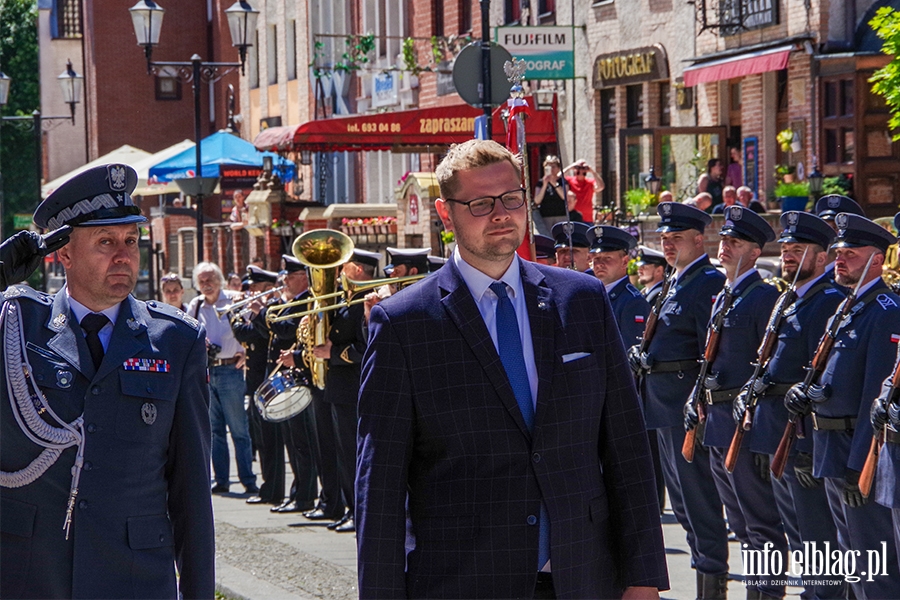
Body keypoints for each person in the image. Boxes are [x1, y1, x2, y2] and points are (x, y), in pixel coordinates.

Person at [357, 139, 668, 599]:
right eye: (481, 204)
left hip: (582, 576)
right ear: (446, 214)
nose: (501, 214)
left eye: (512, 199)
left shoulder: (581, 301)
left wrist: (643, 576)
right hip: (462, 583)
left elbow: (626, 447)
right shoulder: (405, 324)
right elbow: (379, 485)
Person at [0, 164, 214, 598]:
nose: (123, 255)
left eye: (131, 241)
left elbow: (191, 492)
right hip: (30, 575)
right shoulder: (15, 326)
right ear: (64, 254)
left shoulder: (175, 340)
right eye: (105, 242)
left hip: (132, 577)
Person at [783, 213, 900, 599]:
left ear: (878, 260)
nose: (840, 259)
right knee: (850, 562)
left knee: (873, 566)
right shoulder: (848, 307)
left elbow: (875, 396)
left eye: (851, 253)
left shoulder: (884, 310)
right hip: (831, 448)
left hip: (856, 452)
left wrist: (858, 465)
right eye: (838, 252)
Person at [732, 210, 847, 598]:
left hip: (802, 442)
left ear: (823, 257)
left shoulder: (827, 300)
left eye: (800, 249)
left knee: (818, 543)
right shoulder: (788, 299)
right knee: (795, 534)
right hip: (775, 433)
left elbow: (825, 377)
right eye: (786, 249)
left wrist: (809, 449)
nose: (789, 256)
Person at [682, 206, 789, 600]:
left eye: (736, 242)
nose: (725, 247)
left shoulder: (762, 297)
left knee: (761, 522)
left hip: (744, 424)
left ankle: (768, 593)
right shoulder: (724, 295)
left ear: (755, 252)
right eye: (724, 240)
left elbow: (767, 367)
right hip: (717, 421)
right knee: (740, 524)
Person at [627, 202, 729, 599]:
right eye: (664, 239)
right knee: (684, 506)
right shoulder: (676, 280)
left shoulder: (706, 283)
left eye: (677, 239)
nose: (668, 246)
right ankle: (703, 572)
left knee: (699, 502)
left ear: (699, 240)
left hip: (685, 406)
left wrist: (699, 402)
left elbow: (710, 352)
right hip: (662, 404)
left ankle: (712, 583)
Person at [187, 262, 259, 496]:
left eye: (210, 279)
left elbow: (255, 327)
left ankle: (248, 479)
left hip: (230, 370)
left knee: (239, 429)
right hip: (208, 371)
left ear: (219, 280)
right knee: (215, 430)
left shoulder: (233, 301)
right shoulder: (195, 306)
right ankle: (222, 480)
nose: (206, 285)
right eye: (202, 281)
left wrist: (247, 351)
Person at [231, 266, 285, 507]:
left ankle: (274, 489)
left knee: (272, 441)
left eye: (255, 286)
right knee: (263, 440)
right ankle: (269, 488)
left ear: (267, 287)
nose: (250, 290)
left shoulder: (272, 310)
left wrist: (237, 315)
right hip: (255, 381)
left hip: (268, 380)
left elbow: (247, 333)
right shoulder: (261, 310)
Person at [587, 225, 648, 349]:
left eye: (607, 258)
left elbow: (629, 354)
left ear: (624, 262)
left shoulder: (632, 302)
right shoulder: (592, 295)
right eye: (597, 258)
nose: (600, 264)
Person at [563, 158, 604, 223]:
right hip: (574, 217)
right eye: (578, 168)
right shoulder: (570, 181)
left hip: (588, 218)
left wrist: (592, 171)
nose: (581, 171)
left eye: (583, 169)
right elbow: (558, 177)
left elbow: (601, 187)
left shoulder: (590, 182)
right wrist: (571, 167)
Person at [534, 155, 569, 229]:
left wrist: (554, 183)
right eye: (549, 167)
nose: (551, 169)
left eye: (553, 167)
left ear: (558, 168)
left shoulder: (562, 181)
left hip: (561, 215)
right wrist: (545, 184)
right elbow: (537, 200)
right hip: (545, 216)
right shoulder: (540, 183)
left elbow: (565, 197)